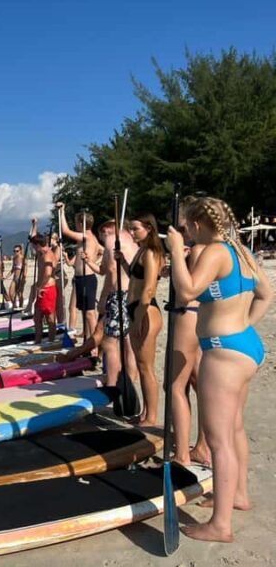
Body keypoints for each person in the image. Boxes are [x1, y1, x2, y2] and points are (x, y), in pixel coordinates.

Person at [168, 197, 271, 543]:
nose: (185, 233)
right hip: (245, 347)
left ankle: (220, 525)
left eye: (186, 228)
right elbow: (265, 294)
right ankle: (238, 493)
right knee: (236, 429)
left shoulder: (213, 250)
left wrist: (174, 251)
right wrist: (244, 326)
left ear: (197, 225)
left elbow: (186, 292)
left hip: (223, 353)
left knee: (218, 441)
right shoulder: (241, 251)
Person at [169, 202, 211, 467]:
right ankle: (203, 446)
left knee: (176, 386)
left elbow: (187, 290)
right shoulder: (217, 250)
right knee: (198, 384)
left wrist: (176, 256)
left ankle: (183, 453)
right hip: (204, 316)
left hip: (188, 313)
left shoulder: (196, 250)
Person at [116, 213, 164, 427]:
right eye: (130, 229)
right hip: (135, 308)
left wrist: (137, 320)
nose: (132, 232)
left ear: (149, 228)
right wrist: (123, 262)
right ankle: (145, 413)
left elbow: (149, 288)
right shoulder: (141, 252)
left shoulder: (152, 253)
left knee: (146, 367)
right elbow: (136, 277)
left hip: (145, 311)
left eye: (135, 229)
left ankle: (151, 416)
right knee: (142, 365)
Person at [84, 219, 139, 387]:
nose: (102, 234)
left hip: (119, 294)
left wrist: (103, 299)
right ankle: (129, 383)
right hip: (134, 293)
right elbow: (103, 270)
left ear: (109, 228)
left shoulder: (112, 239)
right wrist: (88, 261)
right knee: (129, 342)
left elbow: (113, 271)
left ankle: (113, 383)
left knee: (110, 343)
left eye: (103, 230)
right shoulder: (132, 240)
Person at [56, 203, 100, 342]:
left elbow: (66, 231)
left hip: (87, 278)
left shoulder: (87, 237)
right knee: (85, 312)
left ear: (82, 224)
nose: (76, 226)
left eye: (76, 223)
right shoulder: (89, 239)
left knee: (89, 314)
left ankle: (94, 342)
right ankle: (88, 339)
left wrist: (62, 212)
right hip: (81, 279)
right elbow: (102, 250)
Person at [30, 234, 58, 344]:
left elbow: (48, 273)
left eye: (33, 246)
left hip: (47, 288)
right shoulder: (42, 253)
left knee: (50, 317)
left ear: (37, 245)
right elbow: (33, 236)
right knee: (37, 317)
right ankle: (38, 341)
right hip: (43, 288)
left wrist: (40, 287)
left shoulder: (47, 255)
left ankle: (51, 340)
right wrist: (34, 224)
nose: (33, 249)